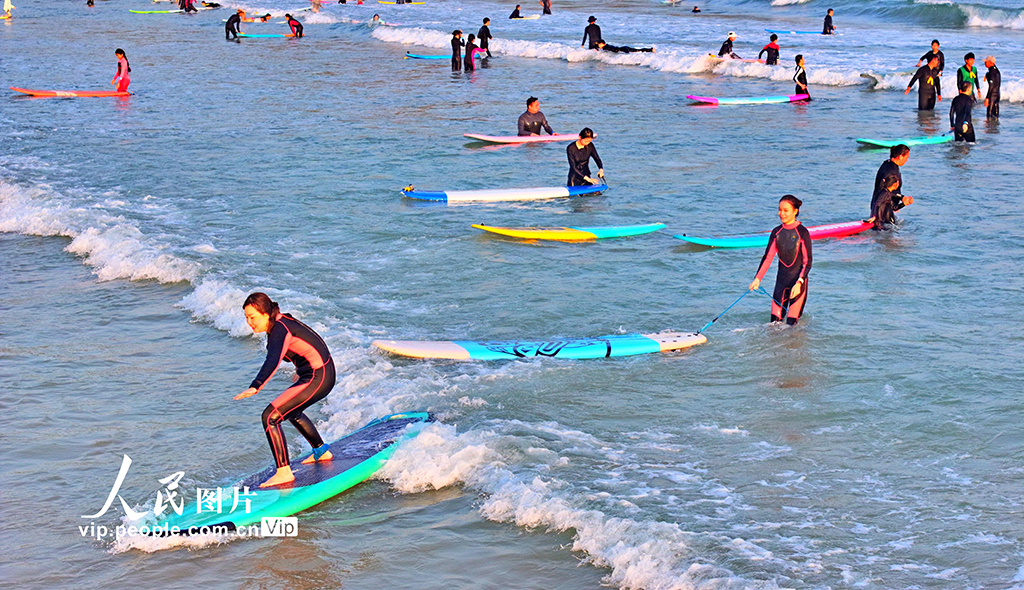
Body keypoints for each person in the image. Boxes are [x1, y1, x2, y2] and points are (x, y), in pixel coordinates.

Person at [233, 293, 337, 488]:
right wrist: (302, 370)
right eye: (246, 317)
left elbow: (273, 360)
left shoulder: (280, 329)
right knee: (292, 411)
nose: (249, 322)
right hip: (316, 373)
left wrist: (256, 385)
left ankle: (284, 472)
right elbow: (307, 343)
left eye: (252, 317)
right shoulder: (279, 323)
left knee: (270, 417)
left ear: (265, 314)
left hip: (319, 376)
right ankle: (321, 451)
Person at [748, 195, 812, 326]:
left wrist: (799, 282)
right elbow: (768, 257)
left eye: (785, 210)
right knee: (774, 326)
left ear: (795, 211)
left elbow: (807, 262)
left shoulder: (802, 232)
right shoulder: (777, 232)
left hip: (797, 285)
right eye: (779, 210)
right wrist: (757, 279)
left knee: (792, 327)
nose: (781, 213)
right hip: (781, 284)